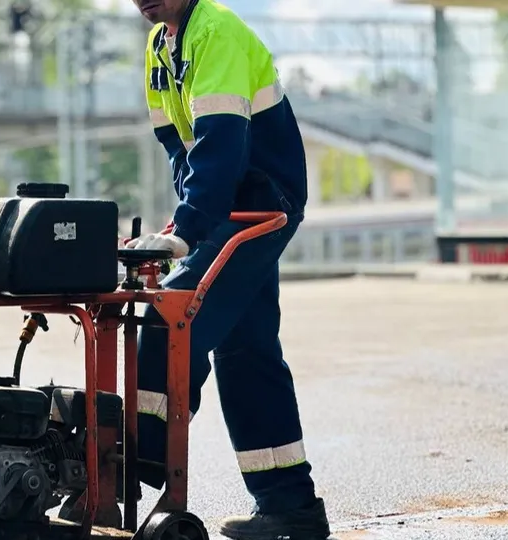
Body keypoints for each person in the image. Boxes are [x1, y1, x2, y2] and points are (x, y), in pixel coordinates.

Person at [121, 0, 331, 538]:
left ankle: (129, 465)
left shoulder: (215, 33)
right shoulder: (160, 46)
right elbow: (180, 146)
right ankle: (291, 506)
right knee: (248, 350)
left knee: (172, 321)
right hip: (229, 209)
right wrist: (183, 223)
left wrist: (191, 227)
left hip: (262, 202)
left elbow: (221, 145)